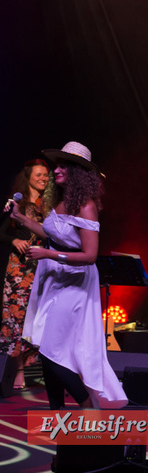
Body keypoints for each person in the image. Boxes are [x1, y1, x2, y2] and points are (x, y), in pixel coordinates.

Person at [10, 141, 127, 409]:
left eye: (64, 166)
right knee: (46, 351)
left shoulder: (85, 206)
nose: (56, 170)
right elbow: (52, 234)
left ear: (77, 172)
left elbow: (89, 256)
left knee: (52, 353)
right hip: (54, 279)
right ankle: (56, 412)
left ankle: (87, 406)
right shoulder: (62, 201)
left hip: (75, 282)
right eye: (57, 165)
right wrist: (21, 219)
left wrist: (47, 254)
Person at [0, 159, 50, 390]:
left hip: (44, 265)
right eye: (39, 174)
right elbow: (2, 233)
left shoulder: (51, 203)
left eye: (46, 175)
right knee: (17, 316)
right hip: (20, 268)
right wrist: (15, 239)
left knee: (41, 317)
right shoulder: (16, 202)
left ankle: (46, 369)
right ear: (28, 176)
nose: (43, 178)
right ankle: (19, 370)